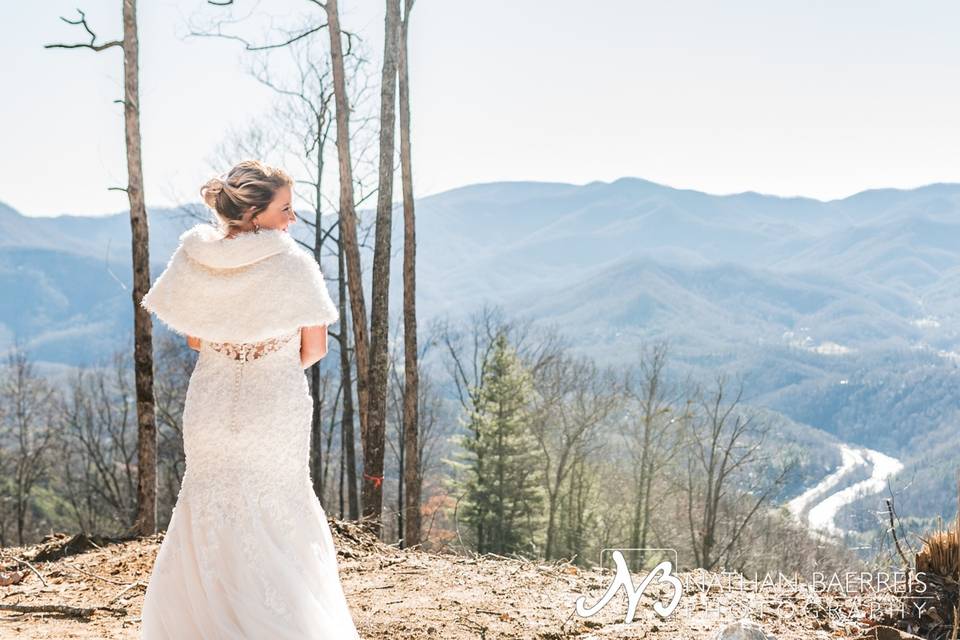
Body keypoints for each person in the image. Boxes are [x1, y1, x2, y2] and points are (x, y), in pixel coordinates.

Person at [139, 159, 362, 639]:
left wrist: (234, 353)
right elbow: (316, 348)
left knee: (208, 502)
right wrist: (270, 364)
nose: (293, 219)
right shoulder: (295, 265)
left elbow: (196, 341)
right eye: (286, 208)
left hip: (212, 403)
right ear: (257, 212)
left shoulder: (197, 258)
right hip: (273, 404)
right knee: (278, 505)